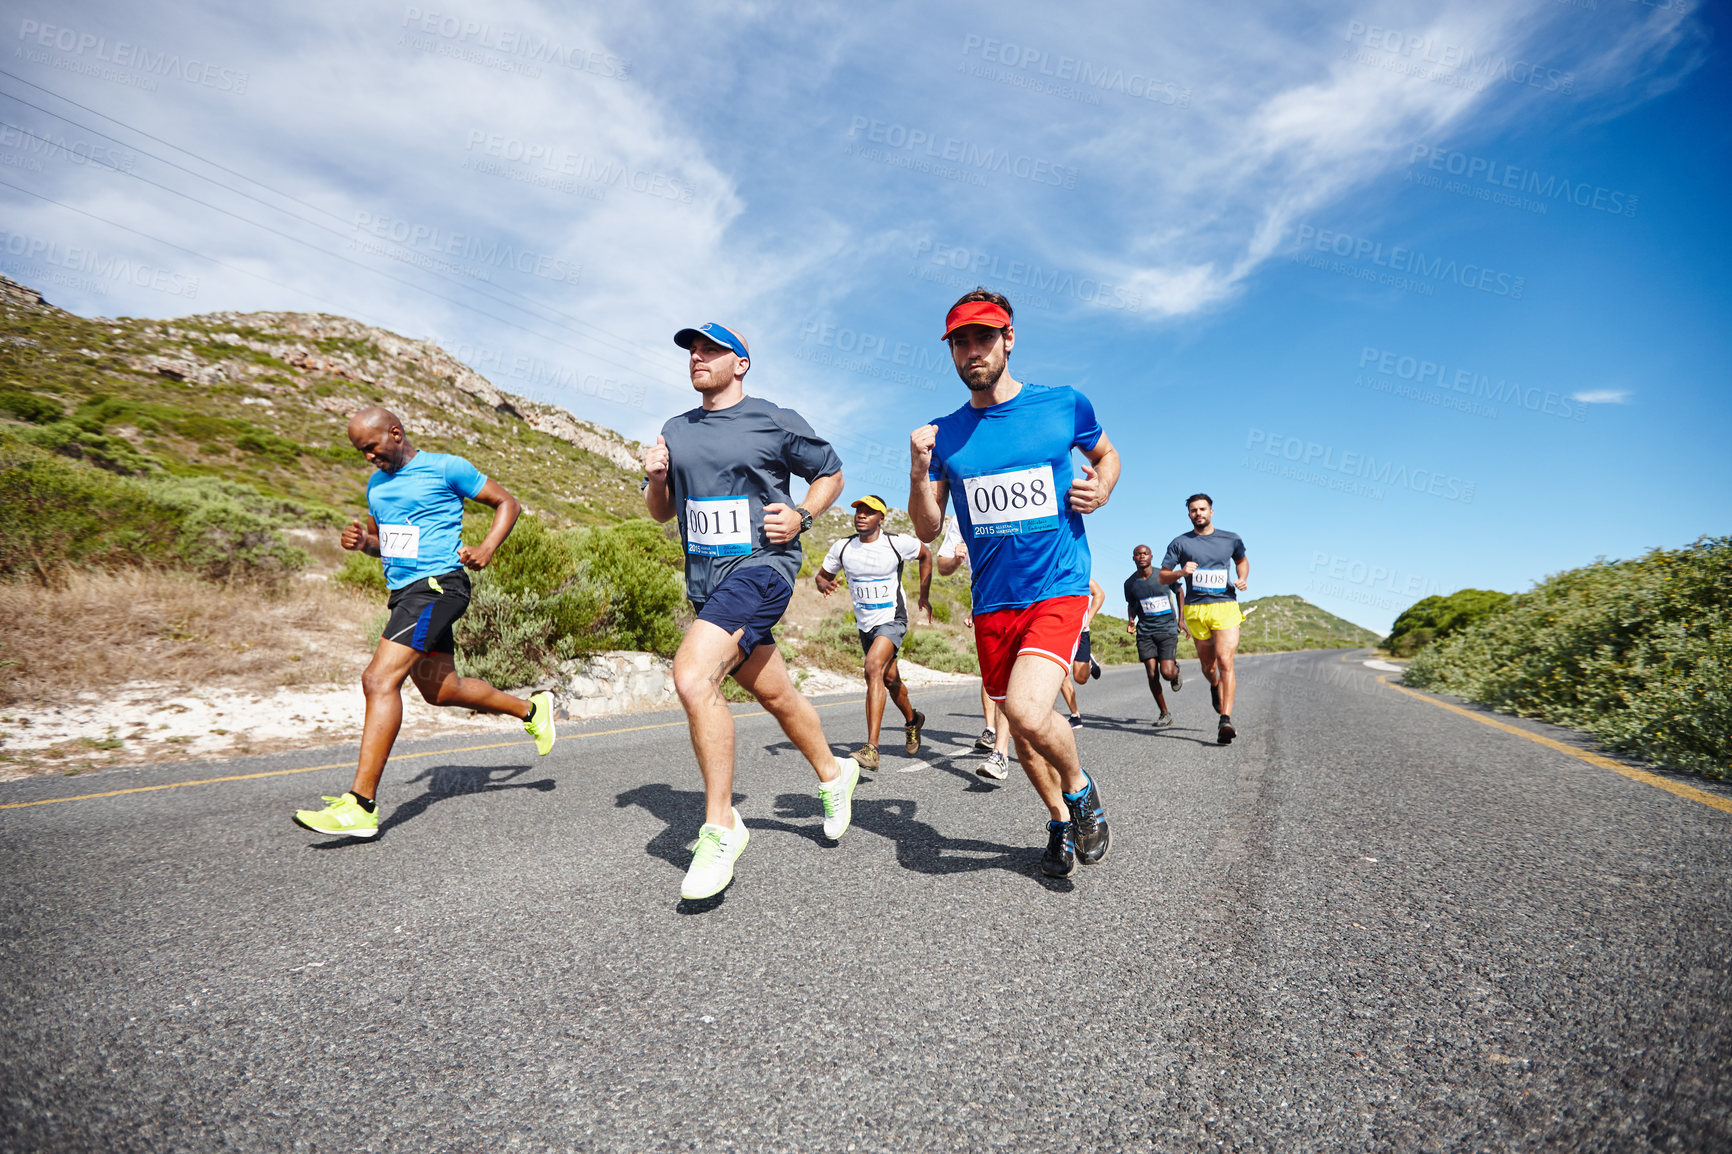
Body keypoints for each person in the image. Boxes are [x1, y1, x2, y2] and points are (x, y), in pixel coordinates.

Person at [909, 289, 1121, 879]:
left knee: (1028, 712)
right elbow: (927, 528)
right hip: (992, 601)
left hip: (1057, 583)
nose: (972, 350)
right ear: (952, 352)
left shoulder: (1062, 405)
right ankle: (1058, 819)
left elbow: (1108, 457)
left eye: (983, 337)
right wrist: (918, 470)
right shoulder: (944, 435)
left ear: (1008, 338)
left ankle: (1080, 791)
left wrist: (1100, 489)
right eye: (960, 342)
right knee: (1023, 733)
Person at [644, 321, 858, 901]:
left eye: (710, 350)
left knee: (692, 676)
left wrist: (803, 516)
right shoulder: (675, 429)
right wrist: (656, 478)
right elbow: (662, 513)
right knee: (775, 693)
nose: (697, 357)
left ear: (741, 363)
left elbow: (831, 473)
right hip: (705, 579)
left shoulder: (772, 417)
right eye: (692, 350)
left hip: (763, 567)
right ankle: (836, 775)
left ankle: (721, 826)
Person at [293, 408, 555, 839]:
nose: (368, 458)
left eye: (371, 448)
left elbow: (507, 502)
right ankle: (531, 709)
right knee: (440, 690)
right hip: (405, 593)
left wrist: (488, 546)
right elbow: (386, 545)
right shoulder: (376, 486)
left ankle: (360, 805)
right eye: (360, 452)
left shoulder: (445, 467)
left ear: (395, 433)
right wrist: (363, 544)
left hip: (437, 586)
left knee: (378, 680)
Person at [815, 495, 931, 770]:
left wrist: (924, 596)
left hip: (892, 619)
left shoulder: (895, 543)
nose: (861, 515)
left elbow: (925, 553)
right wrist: (823, 585)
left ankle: (872, 749)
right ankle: (913, 720)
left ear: (882, 518)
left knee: (872, 668)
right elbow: (822, 576)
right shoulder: (843, 547)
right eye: (859, 511)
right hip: (864, 624)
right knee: (889, 679)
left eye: (869, 512)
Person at [1161, 494, 1249, 745]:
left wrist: (1242, 578)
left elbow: (1242, 561)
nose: (1198, 513)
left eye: (1202, 509)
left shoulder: (1231, 538)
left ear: (1211, 511)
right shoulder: (1180, 543)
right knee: (1209, 668)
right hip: (1196, 610)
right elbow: (1163, 577)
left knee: (1225, 660)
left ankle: (1226, 719)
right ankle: (1214, 685)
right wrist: (1180, 571)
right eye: (1193, 510)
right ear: (1189, 514)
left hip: (1225, 606)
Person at [935, 520, 1015, 780]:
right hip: (985, 603)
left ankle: (1001, 751)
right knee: (993, 675)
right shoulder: (960, 518)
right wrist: (956, 559)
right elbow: (943, 564)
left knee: (1014, 675)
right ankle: (992, 731)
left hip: (1025, 598)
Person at [1124, 543, 1186, 727]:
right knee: (1152, 674)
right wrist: (1130, 621)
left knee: (1166, 673)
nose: (1142, 556)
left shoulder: (1163, 576)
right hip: (1145, 632)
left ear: (1151, 557)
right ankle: (1164, 713)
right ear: (1133, 558)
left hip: (1167, 629)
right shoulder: (1129, 584)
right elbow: (1132, 604)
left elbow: (1180, 592)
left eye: (1145, 553)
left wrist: (1181, 620)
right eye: (1138, 554)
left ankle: (1175, 671)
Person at [1058, 579, 1107, 729]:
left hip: (1080, 631)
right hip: (1057, 631)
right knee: (1060, 673)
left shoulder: (1077, 571)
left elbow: (1099, 594)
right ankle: (1075, 716)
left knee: (1080, 678)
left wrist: (1088, 618)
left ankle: (1089, 662)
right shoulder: (1045, 568)